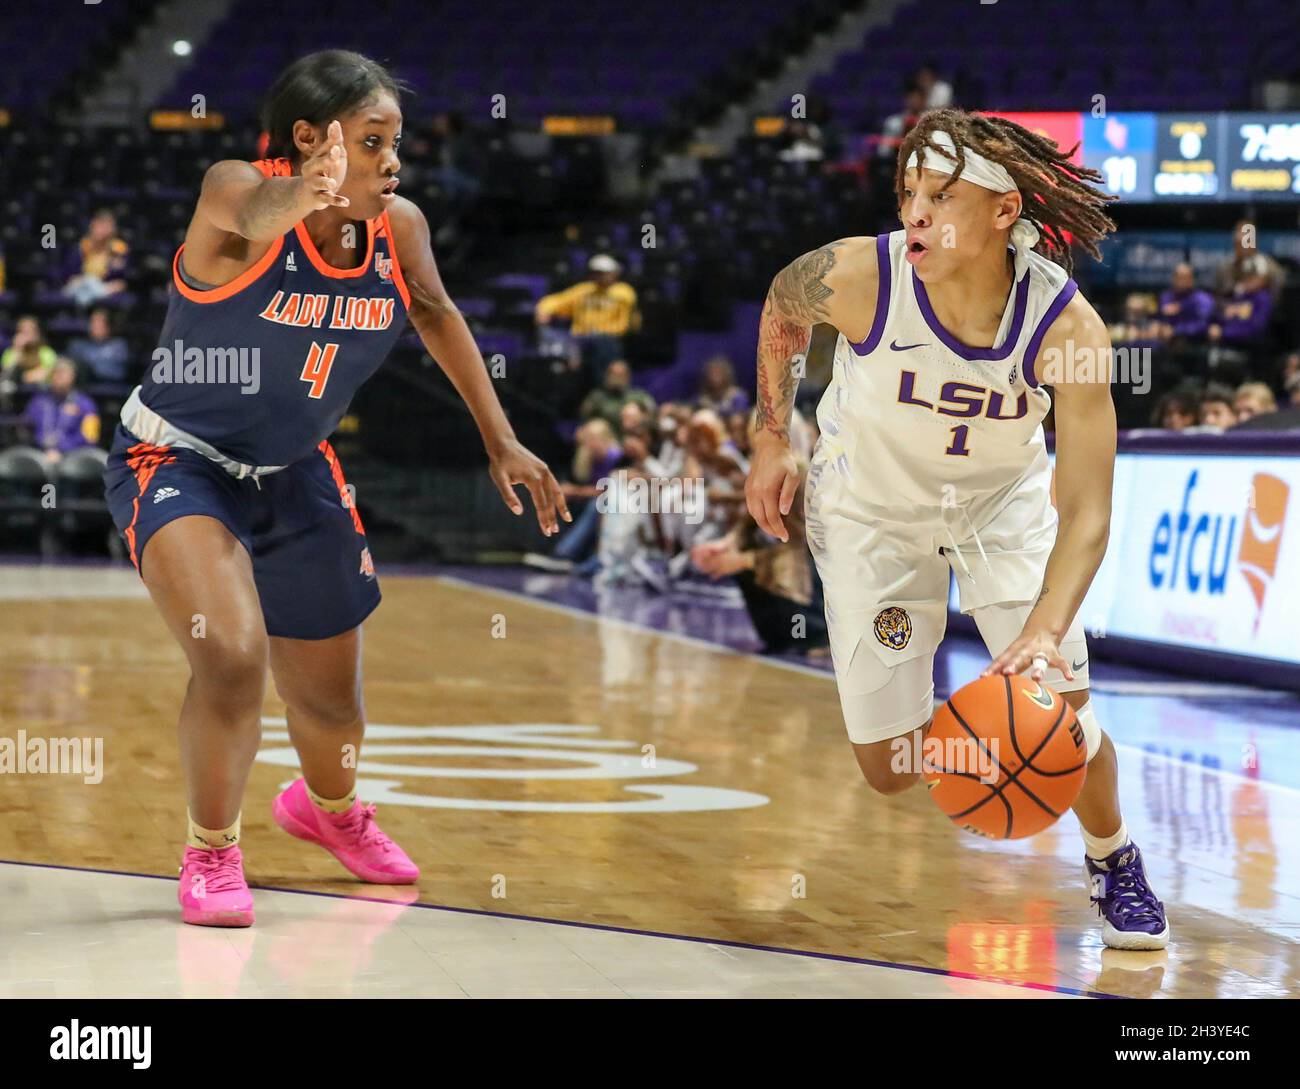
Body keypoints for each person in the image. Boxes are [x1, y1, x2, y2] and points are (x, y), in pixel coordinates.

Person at [100, 51, 567, 928]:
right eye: (374, 141)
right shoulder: (235, 191)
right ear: (312, 142)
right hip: (178, 459)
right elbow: (263, 211)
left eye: (397, 142)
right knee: (232, 656)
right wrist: (310, 186)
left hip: (298, 466)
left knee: (330, 699)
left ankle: (330, 811)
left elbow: (434, 311)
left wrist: (501, 440)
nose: (394, 161)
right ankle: (211, 850)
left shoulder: (400, 226)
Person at [746, 107, 1168, 950]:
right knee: (891, 767)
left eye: (942, 195)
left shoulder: (1067, 325)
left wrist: (1046, 632)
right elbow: (787, 300)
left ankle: (1112, 853)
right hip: (870, 512)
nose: (916, 212)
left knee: (1065, 717)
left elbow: (1087, 508)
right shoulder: (868, 276)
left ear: (1004, 212)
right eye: (909, 192)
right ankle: (981, 733)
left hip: (997, 511)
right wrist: (768, 433)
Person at [535, 254, 638, 386]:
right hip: (580, 340)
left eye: (603, 273)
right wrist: (543, 311)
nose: (599, 276)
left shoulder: (623, 292)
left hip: (609, 340)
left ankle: (602, 388)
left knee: (603, 351)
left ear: (614, 273)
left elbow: (626, 324)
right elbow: (553, 301)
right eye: (596, 272)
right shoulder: (584, 290)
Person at [22, 358, 100, 462]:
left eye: (63, 373)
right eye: (55, 373)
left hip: (74, 458)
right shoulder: (38, 401)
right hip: (39, 456)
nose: (58, 377)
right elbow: (25, 428)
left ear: (73, 376)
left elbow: (91, 437)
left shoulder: (85, 404)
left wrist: (62, 450)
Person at [63, 209, 130, 306]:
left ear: (113, 229)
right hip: (83, 284)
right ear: (92, 226)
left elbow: (121, 279)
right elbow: (70, 274)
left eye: (107, 226)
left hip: (106, 286)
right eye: (100, 226)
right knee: (88, 283)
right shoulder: (82, 246)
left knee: (89, 291)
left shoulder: (119, 248)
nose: (103, 230)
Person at [577, 359, 655, 435]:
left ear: (627, 376)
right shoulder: (597, 397)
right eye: (613, 374)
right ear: (607, 376)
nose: (617, 378)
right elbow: (584, 419)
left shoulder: (639, 396)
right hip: (607, 441)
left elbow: (653, 415)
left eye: (621, 375)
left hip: (634, 438)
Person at [66, 307, 131, 387]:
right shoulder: (78, 345)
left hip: (110, 389)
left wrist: (91, 369)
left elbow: (118, 372)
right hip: (83, 388)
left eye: (99, 323)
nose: (94, 326)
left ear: (108, 327)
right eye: (92, 322)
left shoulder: (119, 345)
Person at [1156, 263, 1214, 341]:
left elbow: (1203, 325)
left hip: (1195, 341)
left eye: (1186, 277)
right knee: (1143, 346)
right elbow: (1160, 319)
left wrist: (1176, 330)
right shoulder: (1166, 297)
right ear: (1173, 278)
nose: (1182, 281)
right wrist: (1158, 327)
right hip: (1167, 342)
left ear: (1192, 279)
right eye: (1178, 277)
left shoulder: (1202, 298)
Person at [1, 315, 58, 388]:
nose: (26, 335)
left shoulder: (46, 352)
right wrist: (17, 349)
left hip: (40, 393)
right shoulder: (11, 352)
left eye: (29, 331)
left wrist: (21, 377)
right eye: (22, 332)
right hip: (15, 393)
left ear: (37, 334)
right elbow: (6, 376)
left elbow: (46, 373)